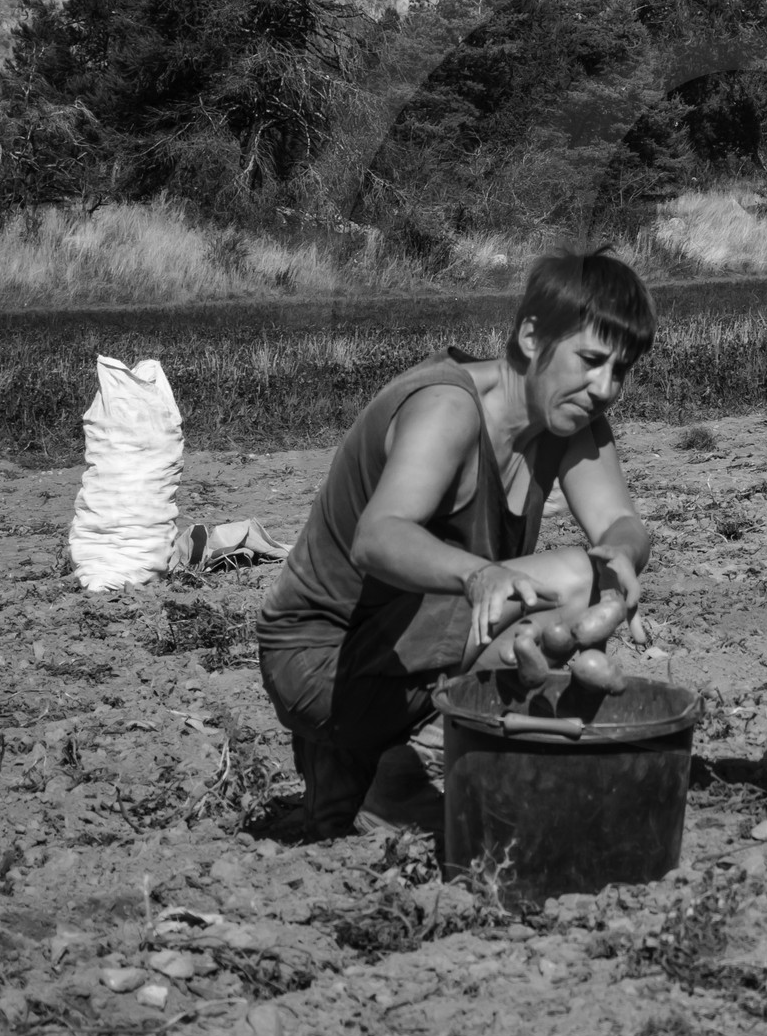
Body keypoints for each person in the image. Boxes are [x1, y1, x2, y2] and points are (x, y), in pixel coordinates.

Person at [257, 248, 657, 839]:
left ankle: (364, 769)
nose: (604, 388)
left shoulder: (569, 423)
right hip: (322, 665)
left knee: (594, 574)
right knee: (570, 582)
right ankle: (408, 771)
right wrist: (479, 575)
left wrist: (624, 550)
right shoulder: (447, 407)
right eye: (591, 360)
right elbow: (378, 537)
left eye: (620, 370)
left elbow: (620, 524)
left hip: (394, 653)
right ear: (530, 336)